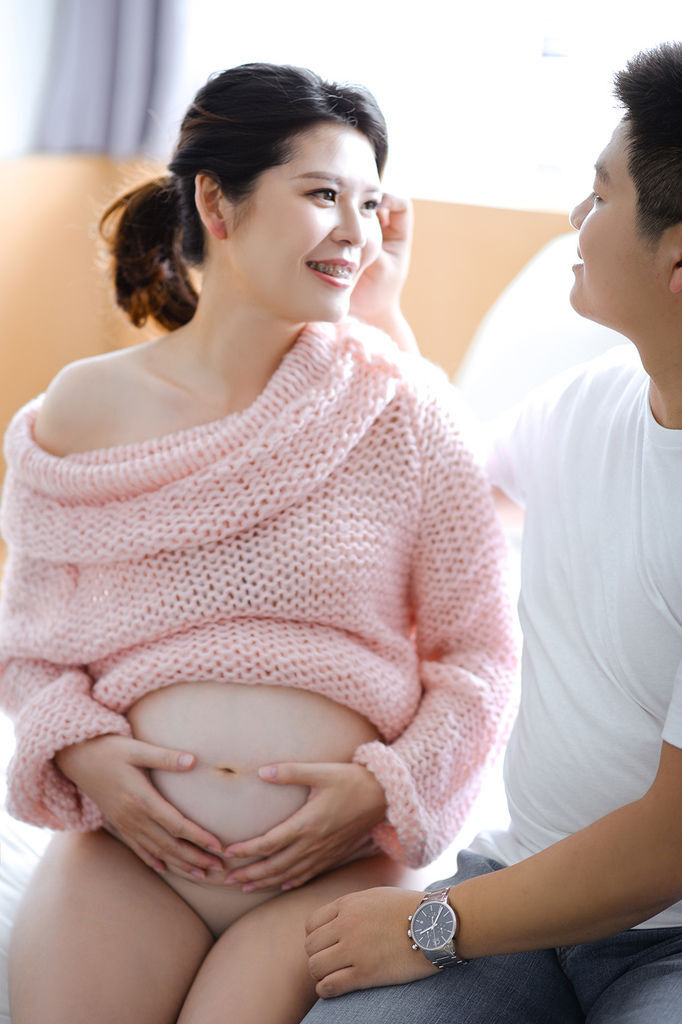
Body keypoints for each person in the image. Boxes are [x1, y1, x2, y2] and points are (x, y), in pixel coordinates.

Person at [0, 63, 516, 1023]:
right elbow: (30, 649)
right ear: (216, 202)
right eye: (323, 194)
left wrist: (384, 791)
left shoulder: (407, 410)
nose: (355, 231)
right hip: (133, 857)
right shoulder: (79, 408)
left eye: (369, 203)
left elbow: (480, 656)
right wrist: (85, 758)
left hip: (336, 869)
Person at [301, 41, 682, 1023]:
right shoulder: (590, 402)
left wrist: (433, 925)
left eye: (600, 198)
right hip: (516, 888)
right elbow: (454, 495)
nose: (575, 220)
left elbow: (666, 845)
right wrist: (380, 315)